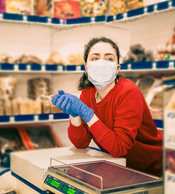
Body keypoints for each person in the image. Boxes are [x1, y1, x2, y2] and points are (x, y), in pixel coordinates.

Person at [52, 37, 163, 176]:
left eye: (109, 59)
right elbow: (81, 143)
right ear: (86, 67)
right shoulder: (88, 93)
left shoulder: (128, 92)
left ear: (117, 69)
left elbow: (119, 148)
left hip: (152, 169)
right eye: (95, 58)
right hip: (121, 167)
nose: (101, 63)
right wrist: (75, 116)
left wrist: (88, 114)